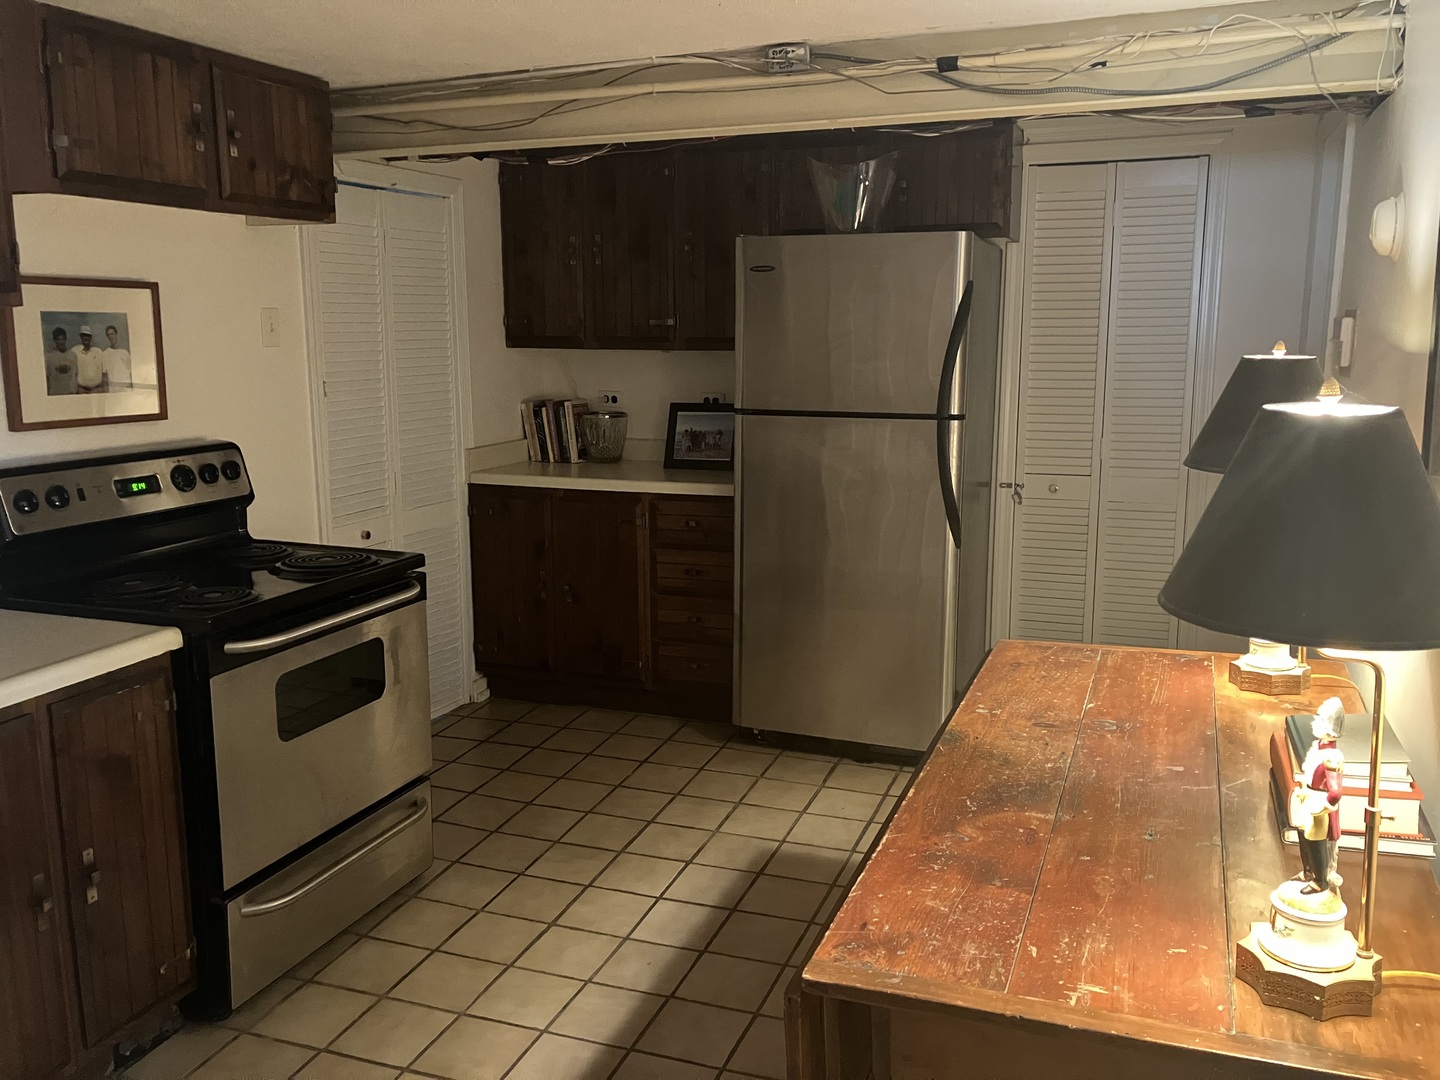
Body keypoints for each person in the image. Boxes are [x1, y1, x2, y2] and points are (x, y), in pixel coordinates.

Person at [1289, 697, 1345, 895]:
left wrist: (1323, 806)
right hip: (1308, 797)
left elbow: (1335, 791)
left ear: (1329, 727)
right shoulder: (1317, 748)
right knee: (1303, 836)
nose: (1314, 722)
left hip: (1318, 804)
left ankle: (1320, 880)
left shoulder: (1332, 757)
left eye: (1319, 719)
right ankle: (1308, 871)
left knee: (1315, 841)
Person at [69, 325, 104, 393]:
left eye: (88, 335)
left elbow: (104, 372)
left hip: (97, 390)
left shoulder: (98, 352)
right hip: (81, 390)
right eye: (83, 335)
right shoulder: (74, 351)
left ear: (91, 337)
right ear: (80, 337)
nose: (86, 338)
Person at [45, 326, 77, 395]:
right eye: (58, 340)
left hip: (70, 393)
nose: (60, 342)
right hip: (55, 393)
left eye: (62, 339)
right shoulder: (48, 357)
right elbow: (46, 378)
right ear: (54, 340)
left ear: (66, 339)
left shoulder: (73, 356)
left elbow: (75, 375)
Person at [102, 324, 132, 390]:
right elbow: (104, 375)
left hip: (126, 389)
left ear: (116, 334)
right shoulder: (105, 354)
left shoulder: (125, 353)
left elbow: (130, 372)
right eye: (108, 335)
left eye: (112, 334)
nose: (110, 337)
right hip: (114, 390)